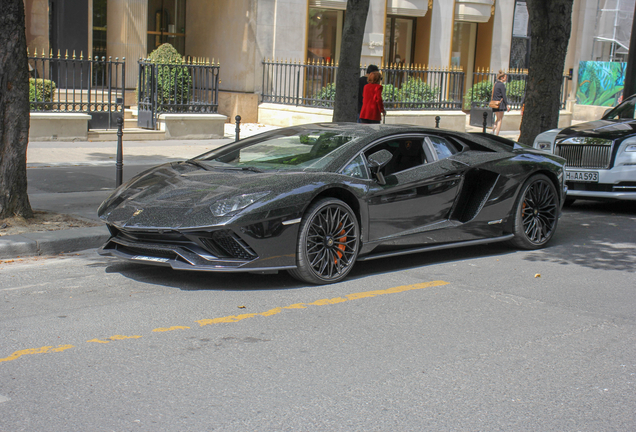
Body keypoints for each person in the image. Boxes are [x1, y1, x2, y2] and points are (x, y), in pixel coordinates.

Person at [492, 70, 510, 135]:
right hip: (500, 104)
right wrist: (507, 104)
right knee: (500, 120)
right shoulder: (502, 85)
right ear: (502, 78)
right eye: (505, 77)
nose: (506, 79)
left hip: (495, 103)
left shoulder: (496, 84)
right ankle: (497, 134)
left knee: (497, 119)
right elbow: (504, 95)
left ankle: (493, 131)